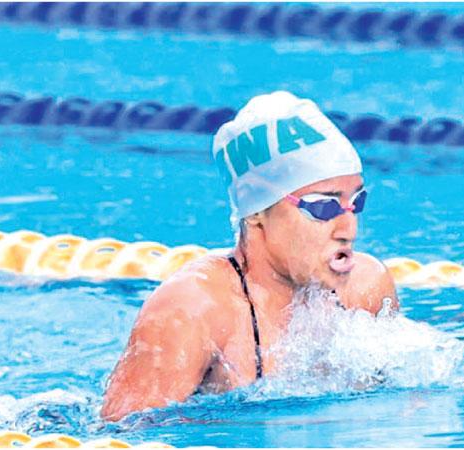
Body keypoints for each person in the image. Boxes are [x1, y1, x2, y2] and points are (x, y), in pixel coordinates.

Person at [101, 91, 399, 421]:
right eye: (322, 206)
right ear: (257, 212)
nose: (349, 229)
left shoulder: (366, 287)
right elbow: (121, 436)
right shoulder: (192, 309)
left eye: (356, 202)